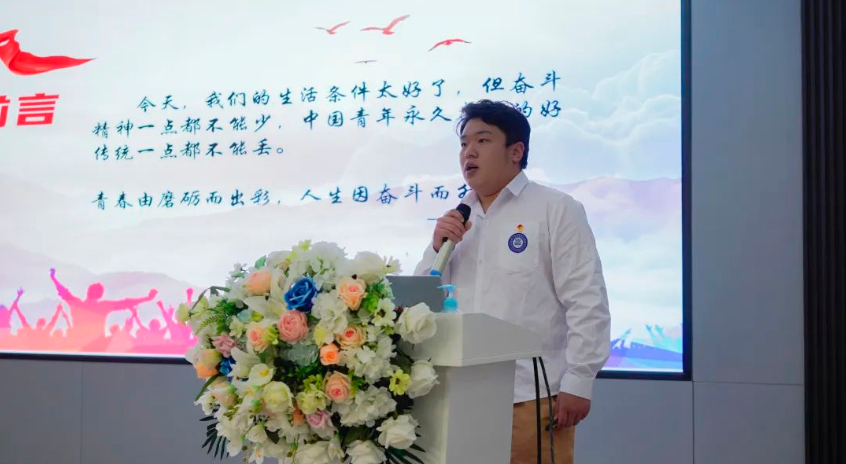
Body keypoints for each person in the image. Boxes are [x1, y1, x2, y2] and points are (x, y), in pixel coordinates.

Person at [414, 100, 611, 464]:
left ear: (516, 151)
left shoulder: (556, 208)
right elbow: (420, 306)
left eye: (482, 140)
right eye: (463, 143)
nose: (469, 152)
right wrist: (437, 248)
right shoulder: (457, 220)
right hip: (455, 398)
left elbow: (586, 299)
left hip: (531, 397)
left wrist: (580, 380)